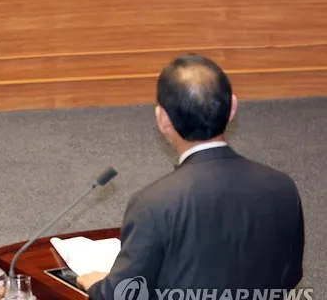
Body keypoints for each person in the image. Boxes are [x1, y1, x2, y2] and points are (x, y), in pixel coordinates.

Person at [77, 54, 304, 299]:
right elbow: (290, 275)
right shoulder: (282, 186)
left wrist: (96, 284)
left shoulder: (153, 203)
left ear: (163, 119)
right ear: (232, 109)